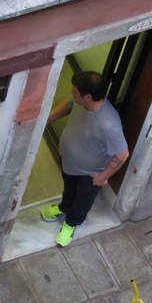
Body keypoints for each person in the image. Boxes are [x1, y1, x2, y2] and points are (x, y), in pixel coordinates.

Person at [42, 71, 129, 246]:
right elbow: (68, 103)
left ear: (88, 96)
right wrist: (48, 118)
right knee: (69, 189)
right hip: (70, 164)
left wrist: (102, 177)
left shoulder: (109, 124)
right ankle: (64, 207)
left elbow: (122, 154)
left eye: (74, 91)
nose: (71, 93)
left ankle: (72, 222)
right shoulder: (79, 101)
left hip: (89, 174)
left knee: (82, 200)